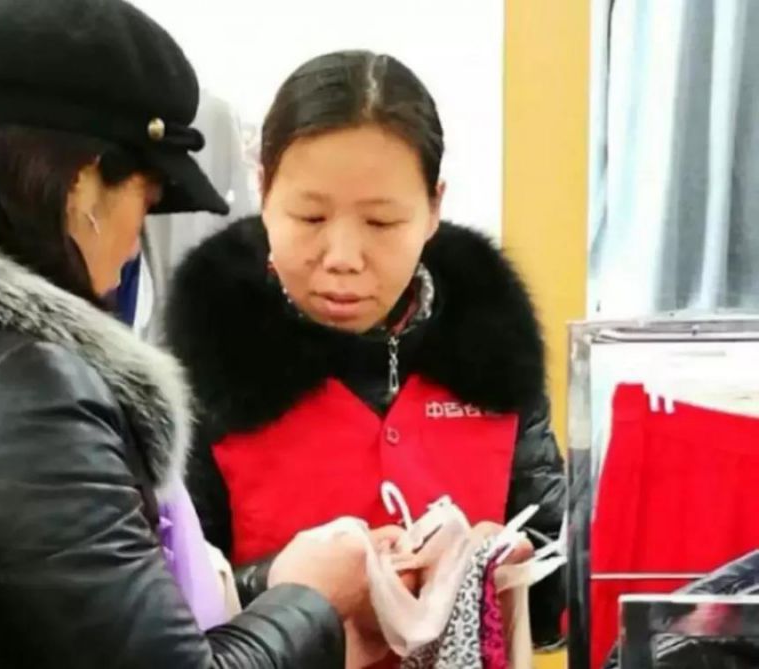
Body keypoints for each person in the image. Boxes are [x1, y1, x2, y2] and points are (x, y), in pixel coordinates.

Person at [0, 2, 374, 667]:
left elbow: (68, 610)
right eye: (146, 201)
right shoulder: (19, 393)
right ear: (83, 181)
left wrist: (264, 586)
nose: (135, 246)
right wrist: (312, 597)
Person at [166, 50, 568, 652]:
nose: (343, 258)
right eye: (310, 217)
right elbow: (162, 613)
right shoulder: (198, 371)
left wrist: (503, 565)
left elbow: (561, 593)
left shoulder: (494, 356)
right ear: (263, 191)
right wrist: (284, 586)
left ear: (433, 208)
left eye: (381, 224)